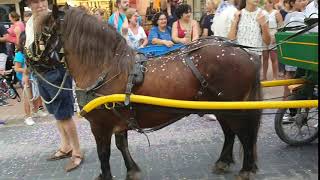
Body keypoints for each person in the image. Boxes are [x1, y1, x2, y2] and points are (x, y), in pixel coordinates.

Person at [25, 0, 83, 172]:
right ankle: (66, 146)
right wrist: (28, 74)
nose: (40, 4)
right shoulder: (29, 22)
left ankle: (77, 152)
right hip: (40, 73)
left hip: (56, 72)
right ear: (29, 4)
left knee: (64, 114)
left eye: (42, 0)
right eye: (35, 1)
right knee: (55, 114)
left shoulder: (56, 19)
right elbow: (28, 47)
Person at [262, 0, 283, 80]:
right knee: (265, 57)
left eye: (265, 3)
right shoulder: (262, 12)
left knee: (274, 57)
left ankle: (275, 76)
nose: (264, 5)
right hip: (264, 33)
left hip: (273, 33)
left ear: (271, 3)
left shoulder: (276, 12)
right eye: (263, 3)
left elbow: (281, 26)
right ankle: (264, 77)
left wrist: (276, 36)